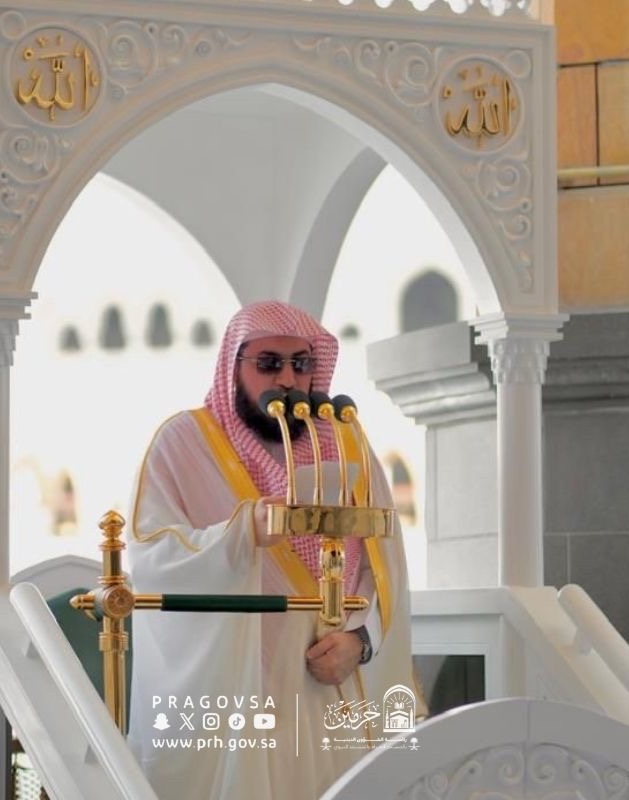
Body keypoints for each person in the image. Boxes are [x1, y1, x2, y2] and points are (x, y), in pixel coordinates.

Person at [126, 301, 416, 800]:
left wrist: (359, 640)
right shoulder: (184, 442)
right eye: (268, 363)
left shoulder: (344, 441)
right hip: (237, 690)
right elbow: (153, 556)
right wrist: (242, 533)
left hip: (330, 686)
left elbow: (382, 564)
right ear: (232, 366)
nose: (287, 379)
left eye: (300, 364)